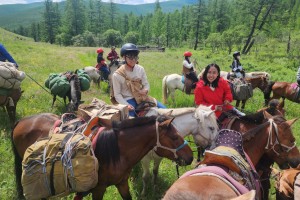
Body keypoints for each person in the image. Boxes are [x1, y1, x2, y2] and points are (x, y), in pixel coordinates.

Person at [112, 43, 166, 117]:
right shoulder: (117, 75)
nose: (133, 60)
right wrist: (126, 105)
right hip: (128, 99)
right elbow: (117, 94)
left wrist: (146, 90)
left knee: (165, 109)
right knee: (131, 120)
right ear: (124, 57)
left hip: (142, 97)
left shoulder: (140, 69)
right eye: (130, 57)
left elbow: (146, 84)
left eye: (135, 57)